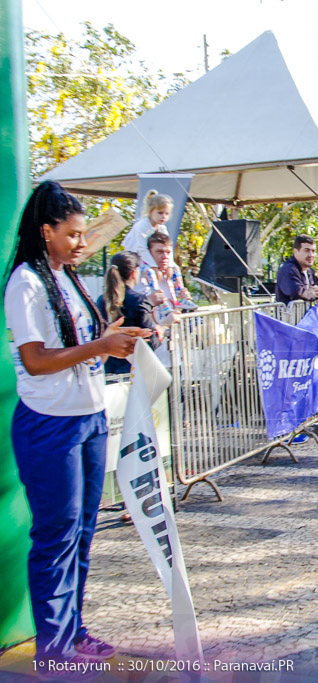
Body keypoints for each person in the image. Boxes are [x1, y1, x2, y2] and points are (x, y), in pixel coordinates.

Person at [4, 181, 152, 673]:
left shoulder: (67, 277)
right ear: (45, 231)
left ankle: (73, 631)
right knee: (56, 536)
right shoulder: (26, 282)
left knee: (82, 531)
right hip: (50, 426)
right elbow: (37, 359)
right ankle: (54, 649)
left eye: (84, 234)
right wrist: (99, 349)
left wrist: (118, 336)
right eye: (72, 235)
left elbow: (82, 341)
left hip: (87, 419)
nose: (81, 243)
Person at [96, 251, 161, 376]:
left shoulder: (101, 300)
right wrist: (160, 330)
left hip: (106, 371)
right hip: (132, 372)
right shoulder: (139, 300)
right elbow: (149, 342)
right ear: (133, 273)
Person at [121, 190, 173, 256]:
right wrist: (153, 265)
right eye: (160, 213)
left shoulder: (162, 228)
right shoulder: (142, 225)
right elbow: (142, 249)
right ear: (150, 211)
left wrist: (171, 265)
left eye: (167, 214)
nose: (163, 216)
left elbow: (168, 247)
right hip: (132, 258)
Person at [275, 234, 318, 305]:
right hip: (289, 315)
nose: (311, 255)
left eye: (313, 251)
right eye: (307, 250)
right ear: (295, 252)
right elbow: (296, 292)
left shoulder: (309, 271)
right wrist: (311, 294)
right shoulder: (288, 269)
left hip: (306, 315)